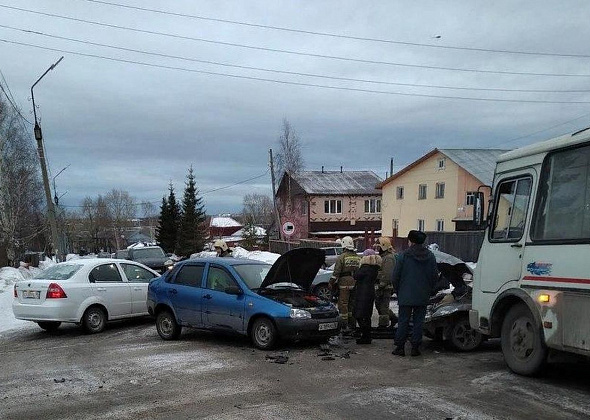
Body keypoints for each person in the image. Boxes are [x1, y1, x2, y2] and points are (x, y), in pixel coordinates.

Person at [392, 230, 438, 357]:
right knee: (419, 321)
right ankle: (415, 348)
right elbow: (434, 276)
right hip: (422, 294)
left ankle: (400, 347)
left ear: (410, 241)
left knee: (403, 320)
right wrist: (429, 289)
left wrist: (398, 290)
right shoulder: (430, 256)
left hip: (405, 294)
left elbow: (395, 276)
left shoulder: (403, 256)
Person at [329, 236, 361, 333]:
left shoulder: (342, 257)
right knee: (352, 305)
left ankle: (344, 326)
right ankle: (352, 324)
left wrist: (331, 282)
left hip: (344, 283)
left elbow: (336, 272)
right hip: (354, 282)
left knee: (343, 304)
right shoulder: (357, 257)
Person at [353, 249, 382, 344]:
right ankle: (367, 336)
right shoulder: (374, 268)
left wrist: (358, 267)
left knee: (359, 315)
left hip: (362, 293)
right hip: (370, 293)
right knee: (367, 315)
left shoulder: (365, 268)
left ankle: (365, 336)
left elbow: (356, 276)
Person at [373, 237, 397, 328]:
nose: (377, 249)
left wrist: (381, 285)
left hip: (385, 287)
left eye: (378, 247)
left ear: (384, 246)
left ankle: (383, 325)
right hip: (382, 286)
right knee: (379, 305)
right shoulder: (384, 257)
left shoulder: (389, 258)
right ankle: (393, 318)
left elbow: (387, 274)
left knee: (383, 306)